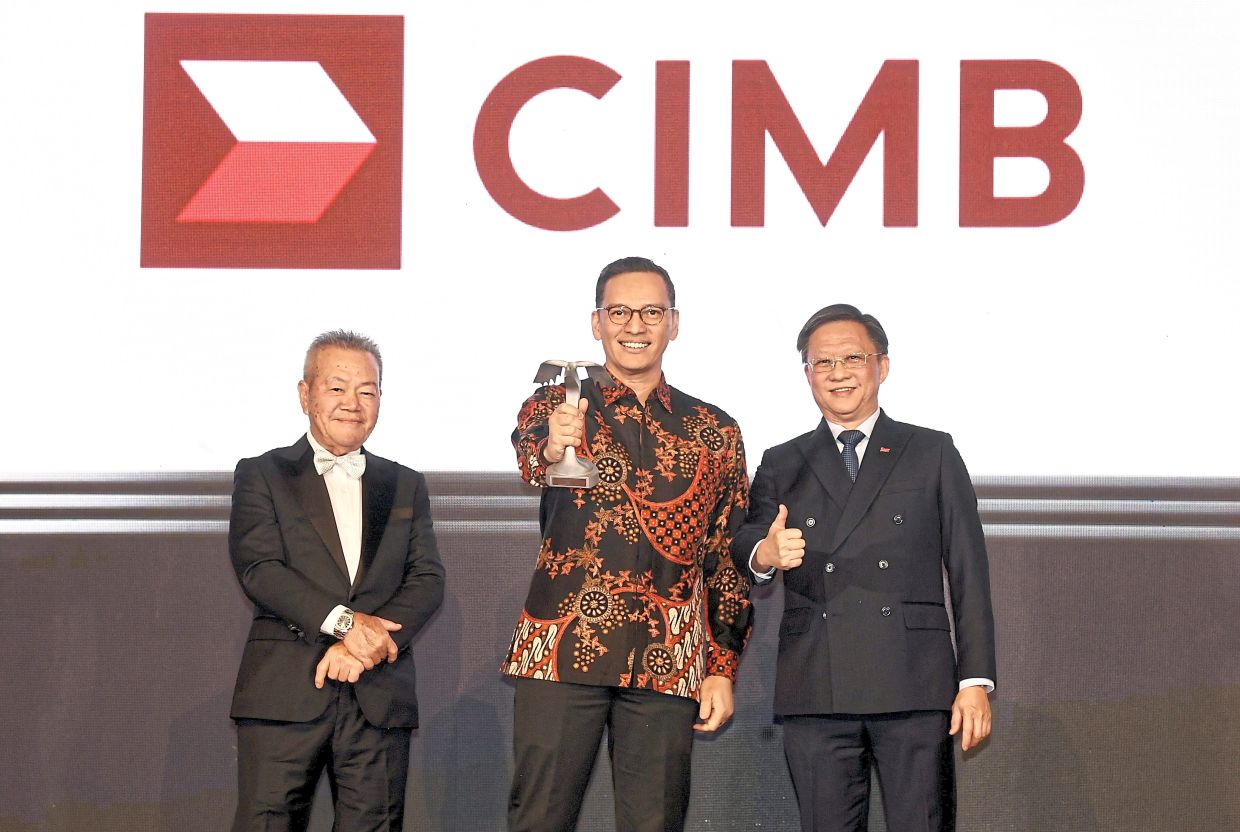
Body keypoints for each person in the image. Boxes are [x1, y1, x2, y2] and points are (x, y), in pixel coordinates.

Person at [502, 257, 753, 832]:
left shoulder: (715, 430)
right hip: (562, 648)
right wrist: (551, 448)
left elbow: (724, 556)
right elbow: (532, 454)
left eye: (650, 312)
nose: (634, 325)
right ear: (597, 323)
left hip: (669, 659)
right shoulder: (560, 403)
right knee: (539, 819)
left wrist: (721, 666)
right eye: (619, 311)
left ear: (674, 323)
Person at [732, 305, 996, 832]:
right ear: (807, 374)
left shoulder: (931, 451)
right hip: (816, 684)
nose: (838, 373)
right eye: (822, 363)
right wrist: (765, 554)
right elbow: (746, 541)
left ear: (883, 365)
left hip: (913, 682)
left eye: (853, 357)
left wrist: (975, 680)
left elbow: (969, 572)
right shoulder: (783, 460)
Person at [228, 330, 445, 831]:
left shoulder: (405, 482)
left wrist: (363, 647)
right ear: (305, 395)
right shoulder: (262, 473)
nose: (353, 403)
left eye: (367, 390)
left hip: (377, 693)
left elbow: (427, 579)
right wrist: (347, 625)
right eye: (337, 388)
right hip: (285, 692)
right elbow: (261, 570)